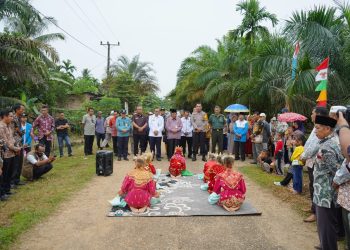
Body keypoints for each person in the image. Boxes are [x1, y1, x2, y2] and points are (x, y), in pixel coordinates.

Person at [313, 115, 344, 250]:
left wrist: (336, 184)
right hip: (325, 192)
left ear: (327, 129)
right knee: (327, 226)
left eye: (317, 128)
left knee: (326, 227)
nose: (315, 131)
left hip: (325, 193)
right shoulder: (333, 141)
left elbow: (336, 169)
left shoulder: (327, 146)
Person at [300, 106, 328, 223]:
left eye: (313, 113)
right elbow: (310, 143)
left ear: (318, 114)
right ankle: (313, 208)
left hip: (315, 160)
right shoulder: (316, 126)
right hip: (310, 160)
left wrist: (304, 156)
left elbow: (316, 145)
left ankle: (316, 213)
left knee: (315, 186)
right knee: (312, 185)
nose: (311, 115)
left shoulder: (322, 127)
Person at [0, 109, 21, 199]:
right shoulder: (1, 127)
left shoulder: (8, 126)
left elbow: (11, 138)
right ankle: (2, 193)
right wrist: (16, 148)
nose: (12, 118)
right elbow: (5, 141)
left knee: (9, 172)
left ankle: (7, 190)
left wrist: (16, 147)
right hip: (5, 154)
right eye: (10, 116)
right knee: (4, 173)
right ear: (5, 116)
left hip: (11, 153)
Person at [11, 103, 26, 187]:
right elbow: (15, 131)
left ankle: (17, 179)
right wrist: (21, 132)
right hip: (15, 143)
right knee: (15, 162)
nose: (23, 111)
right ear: (17, 110)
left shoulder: (19, 118)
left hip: (19, 142)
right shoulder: (13, 118)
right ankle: (12, 181)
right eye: (22, 109)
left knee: (20, 161)